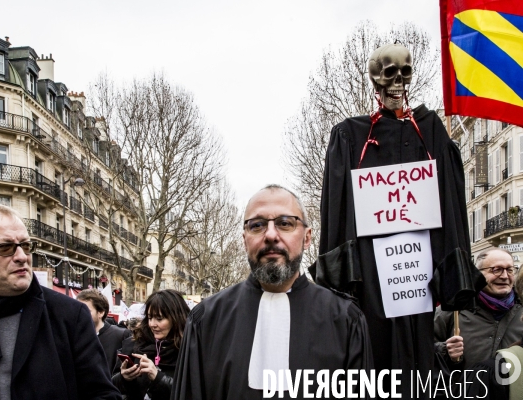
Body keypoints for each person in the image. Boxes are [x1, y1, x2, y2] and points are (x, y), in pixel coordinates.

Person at [310, 43, 474, 397]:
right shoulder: (350, 136)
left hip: (418, 274)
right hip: (373, 275)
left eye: (406, 72)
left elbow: (450, 202)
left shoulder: (431, 132)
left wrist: (452, 273)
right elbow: (336, 208)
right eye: (390, 73)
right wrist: (340, 282)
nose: (399, 82)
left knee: (417, 362)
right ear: (375, 80)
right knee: (375, 357)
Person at [172, 185, 373, 400]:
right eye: (257, 225)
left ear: (307, 238)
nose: (270, 235)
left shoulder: (345, 320)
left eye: (285, 223)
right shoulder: (205, 320)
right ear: (244, 239)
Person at [0, 203, 121, 400]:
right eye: (6, 247)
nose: (21, 257)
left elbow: (103, 394)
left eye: (26, 246)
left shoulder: (68, 314)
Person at [435, 247, 523, 370]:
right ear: (477, 273)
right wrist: (445, 351)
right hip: (464, 387)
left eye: (510, 270)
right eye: (496, 270)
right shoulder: (453, 310)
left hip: (513, 389)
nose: (504, 276)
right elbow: (424, 348)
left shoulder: (521, 311)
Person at [112, 289, 190, 400]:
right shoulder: (134, 344)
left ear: (176, 318)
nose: (152, 324)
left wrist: (158, 378)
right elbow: (112, 386)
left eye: (159, 318)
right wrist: (123, 377)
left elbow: (190, 392)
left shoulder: (189, 350)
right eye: (149, 318)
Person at [77, 289, 132, 375]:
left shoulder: (121, 335)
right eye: (78, 310)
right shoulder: (74, 337)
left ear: (101, 312)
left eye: (86, 310)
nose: (80, 314)